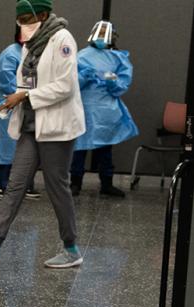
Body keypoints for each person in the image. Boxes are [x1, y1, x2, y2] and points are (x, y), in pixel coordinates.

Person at [0, 0, 86, 268]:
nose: (23, 25)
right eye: (20, 20)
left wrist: (26, 95)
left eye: (27, 19)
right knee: (15, 185)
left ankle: (71, 248)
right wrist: (13, 100)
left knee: (57, 188)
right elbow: (25, 80)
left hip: (56, 128)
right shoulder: (30, 45)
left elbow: (65, 85)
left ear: (42, 15)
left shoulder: (62, 39)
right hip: (31, 125)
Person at [71, 20, 137, 197]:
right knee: (79, 147)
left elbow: (121, 86)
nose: (101, 39)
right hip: (84, 107)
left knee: (105, 148)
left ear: (112, 38)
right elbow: (71, 84)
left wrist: (112, 81)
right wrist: (84, 77)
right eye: (99, 35)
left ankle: (106, 184)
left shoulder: (119, 58)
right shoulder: (81, 56)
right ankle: (75, 183)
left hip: (105, 110)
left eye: (104, 36)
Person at [0, 28, 42, 199]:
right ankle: (1, 184)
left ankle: (25, 185)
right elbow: (7, 80)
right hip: (10, 104)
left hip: (28, 104)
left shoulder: (32, 53)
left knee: (26, 146)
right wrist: (22, 95)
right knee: (7, 145)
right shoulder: (10, 54)